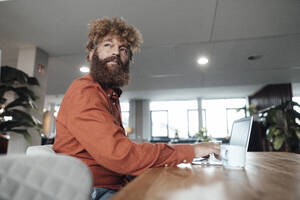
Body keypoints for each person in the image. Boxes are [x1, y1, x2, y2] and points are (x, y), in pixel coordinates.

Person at [53, 17, 220, 200]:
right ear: (92, 54)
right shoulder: (85, 91)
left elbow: (121, 155)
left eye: (123, 49)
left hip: (113, 184)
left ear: (127, 61)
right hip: (91, 191)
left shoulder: (110, 96)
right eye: (108, 45)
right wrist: (192, 151)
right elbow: (121, 155)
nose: (116, 52)